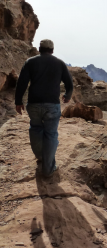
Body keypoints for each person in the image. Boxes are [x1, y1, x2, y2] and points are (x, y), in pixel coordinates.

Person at [15, 39, 73, 177]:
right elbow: (69, 84)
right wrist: (67, 95)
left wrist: (18, 101)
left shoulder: (30, 62)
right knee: (51, 134)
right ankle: (48, 167)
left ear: (39, 49)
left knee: (35, 129)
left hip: (34, 104)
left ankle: (41, 157)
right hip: (52, 105)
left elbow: (21, 83)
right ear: (52, 50)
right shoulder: (59, 63)